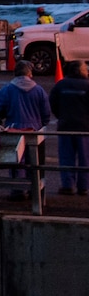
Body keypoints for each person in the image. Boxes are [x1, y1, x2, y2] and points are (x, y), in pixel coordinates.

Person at [0, 65, 55, 200]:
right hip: (35, 132)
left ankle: (18, 191)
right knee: (36, 163)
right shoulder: (39, 90)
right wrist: (41, 124)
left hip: (13, 130)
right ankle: (35, 191)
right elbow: (46, 113)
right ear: (30, 73)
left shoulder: (7, 89)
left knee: (16, 162)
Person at [50, 62, 89, 196]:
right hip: (84, 128)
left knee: (66, 157)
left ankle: (68, 185)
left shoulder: (60, 85)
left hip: (65, 126)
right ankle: (83, 186)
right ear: (81, 71)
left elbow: (53, 103)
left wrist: (61, 116)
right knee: (85, 158)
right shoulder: (87, 86)